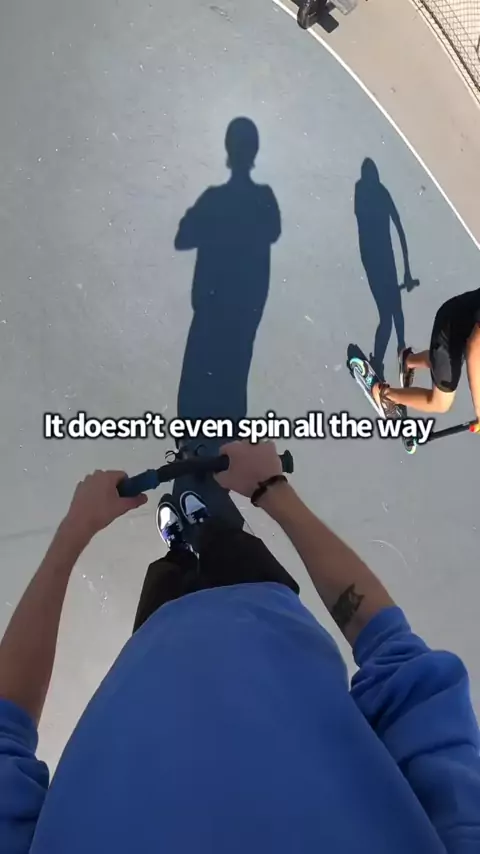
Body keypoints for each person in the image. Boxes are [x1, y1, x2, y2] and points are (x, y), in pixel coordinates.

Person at [0, 442, 479, 854]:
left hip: (159, 640)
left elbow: (5, 730)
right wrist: (272, 488)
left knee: (169, 575)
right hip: (261, 612)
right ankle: (208, 531)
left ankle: (181, 547)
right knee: (230, 547)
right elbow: (395, 653)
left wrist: (74, 530)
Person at [372, 288, 480, 427]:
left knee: (441, 362)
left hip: (460, 321)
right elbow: (475, 352)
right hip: (450, 333)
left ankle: (407, 360)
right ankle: (385, 394)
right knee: (440, 403)